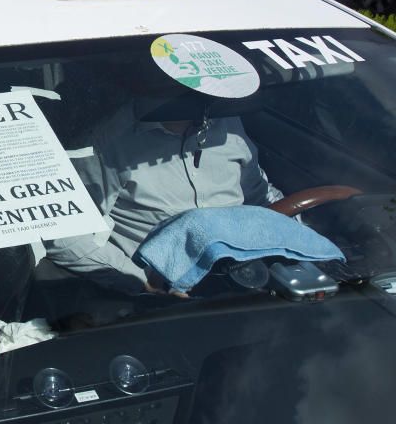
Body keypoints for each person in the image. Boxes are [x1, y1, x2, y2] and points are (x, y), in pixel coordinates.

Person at [48, 108, 285, 294]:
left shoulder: (229, 124)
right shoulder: (109, 141)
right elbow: (63, 231)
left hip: (248, 277)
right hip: (169, 298)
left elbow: (258, 194)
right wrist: (139, 282)